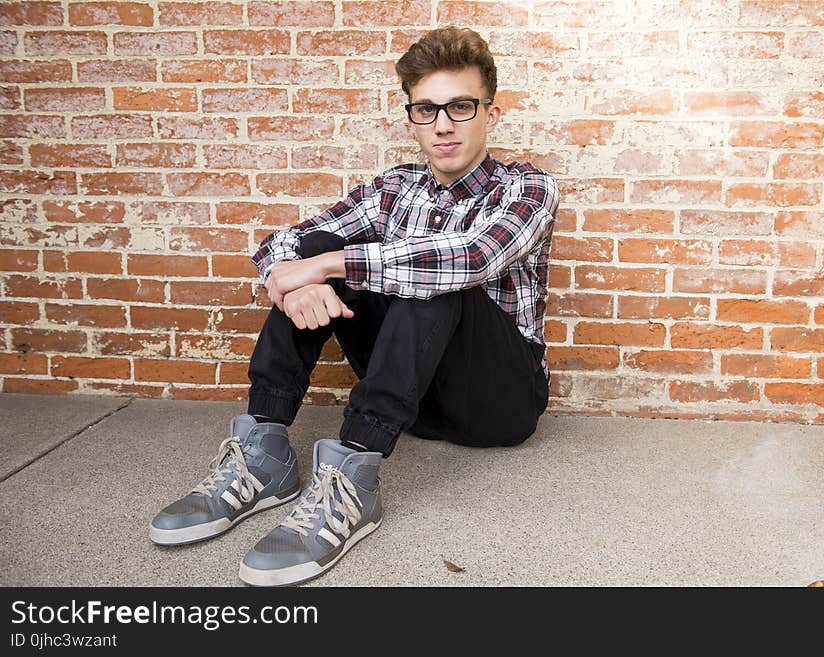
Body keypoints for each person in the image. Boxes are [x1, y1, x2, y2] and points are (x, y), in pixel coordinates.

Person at [149, 25, 559, 587]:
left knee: (425, 275)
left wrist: (329, 267)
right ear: (411, 117)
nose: (443, 124)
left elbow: (471, 257)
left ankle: (352, 481)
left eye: (461, 106)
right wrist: (298, 280)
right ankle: (263, 455)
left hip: (496, 401)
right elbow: (291, 241)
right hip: (413, 399)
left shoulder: (527, 186)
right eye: (426, 109)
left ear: (491, 112)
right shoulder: (393, 187)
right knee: (322, 253)